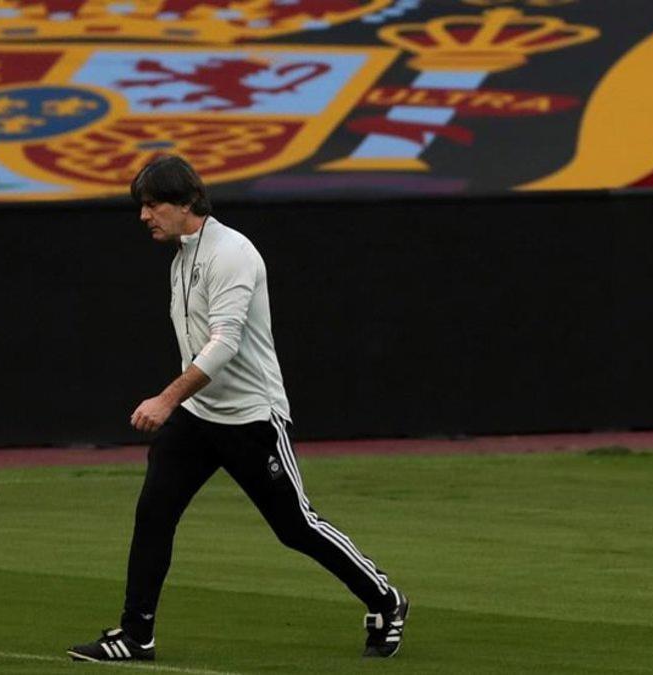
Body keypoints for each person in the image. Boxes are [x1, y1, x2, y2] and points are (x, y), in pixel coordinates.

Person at [66, 155, 408, 663]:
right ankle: (136, 635)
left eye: (153, 204)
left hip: (251, 417)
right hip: (199, 417)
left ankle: (386, 599)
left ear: (185, 202)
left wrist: (166, 398)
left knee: (295, 526)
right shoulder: (183, 256)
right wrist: (182, 405)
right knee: (154, 513)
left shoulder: (232, 253)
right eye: (141, 205)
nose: (144, 215)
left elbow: (225, 344)